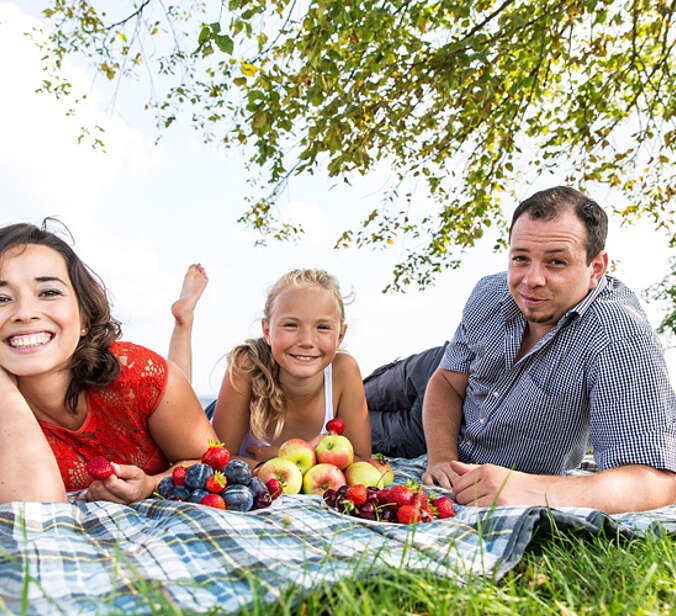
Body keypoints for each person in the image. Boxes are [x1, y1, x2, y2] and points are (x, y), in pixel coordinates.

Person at [416, 186, 676, 513]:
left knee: (357, 405)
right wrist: (441, 458)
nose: (532, 279)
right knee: (364, 391)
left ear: (596, 268)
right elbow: (447, 383)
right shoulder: (489, 291)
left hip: (468, 452)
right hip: (434, 420)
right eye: (521, 258)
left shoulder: (617, 334)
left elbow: (656, 479)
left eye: (556, 262)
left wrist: (531, 489)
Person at [0, 222, 218, 504]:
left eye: (49, 292)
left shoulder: (140, 376)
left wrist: (150, 485)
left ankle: (183, 322)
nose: (25, 313)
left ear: (84, 316)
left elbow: (212, 465)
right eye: (1, 298)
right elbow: (34, 518)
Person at [193, 269, 371, 466]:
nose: (307, 341)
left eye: (322, 327)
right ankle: (184, 321)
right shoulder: (246, 366)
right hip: (227, 409)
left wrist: (285, 454)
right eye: (291, 325)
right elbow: (218, 460)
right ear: (267, 331)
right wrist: (298, 458)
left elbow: (360, 460)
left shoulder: (344, 371)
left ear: (340, 336)